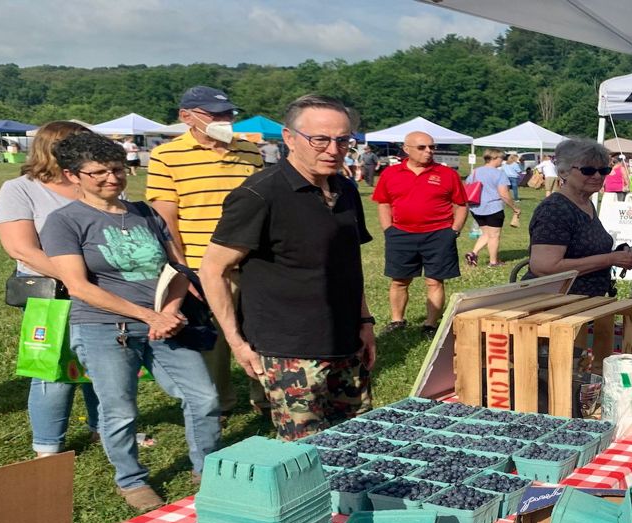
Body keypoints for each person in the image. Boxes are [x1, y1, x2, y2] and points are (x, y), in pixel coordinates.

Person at [42, 132, 220, 512]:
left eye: (119, 169)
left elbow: (177, 269)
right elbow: (78, 286)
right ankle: (130, 479)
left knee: (203, 397)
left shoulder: (147, 213)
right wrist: (147, 315)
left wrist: (170, 312)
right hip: (105, 328)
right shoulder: (64, 221)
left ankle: (207, 468)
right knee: (119, 408)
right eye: (99, 172)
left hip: (167, 324)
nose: (112, 178)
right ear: (73, 175)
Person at [201, 95, 376, 441]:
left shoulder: (346, 190)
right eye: (320, 140)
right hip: (290, 350)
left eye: (343, 140)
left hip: (346, 341)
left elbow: (348, 266)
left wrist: (365, 322)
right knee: (306, 452)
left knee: (359, 440)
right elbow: (213, 270)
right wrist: (237, 342)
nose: (333, 149)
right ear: (289, 137)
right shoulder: (259, 194)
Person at [146, 85, 266, 423]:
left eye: (228, 114)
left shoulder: (249, 151)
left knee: (260, 332)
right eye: (215, 115)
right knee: (215, 343)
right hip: (204, 265)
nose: (225, 121)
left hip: (254, 261)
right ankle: (220, 406)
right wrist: (183, 272)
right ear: (187, 117)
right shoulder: (167, 156)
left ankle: (267, 398)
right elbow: (166, 219)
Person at [0, 120, 100, 458]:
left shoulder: (99, 184)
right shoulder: (19, 189)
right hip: (52, 293)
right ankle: (48, 446)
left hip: (102, 291)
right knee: (52, 370)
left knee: (105, 364)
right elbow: (21, 249)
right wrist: (77, 278)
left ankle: (107, 428)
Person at [372, 131, 467, 334]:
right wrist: (388, 229)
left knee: (434, 280)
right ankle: (397, 321)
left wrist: (454, 230)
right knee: (399, 280)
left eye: (431, 147)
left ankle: (431, 324)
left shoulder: (447, 174)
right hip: (400, 234)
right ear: (406, 149)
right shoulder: (391, 173)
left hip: (438, 234)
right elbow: (383, 203)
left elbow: (461, 204)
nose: (429, 151)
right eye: (422, 147)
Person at [525, 138, 632, 297]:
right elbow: (544, 267)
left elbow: (584, 251)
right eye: (588, 170)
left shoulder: (585, 203)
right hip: (556, 306)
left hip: (585, 304)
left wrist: (619, 254)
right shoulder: (555, 209)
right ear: (563, 172)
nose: (597, 176)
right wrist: (610, 259)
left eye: (603, 170)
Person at [465, 148, 520, 267]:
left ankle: (473, 253)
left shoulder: (475, 172)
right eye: (501, 158)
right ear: (494, 158)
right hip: (493, 208)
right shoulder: (499, 173)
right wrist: (514, 207)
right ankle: (493, 262)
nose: (503, 161)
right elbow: (504, 195)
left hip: (476, 208)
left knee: (486, 233)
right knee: (494, 235)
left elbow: (468, 186)